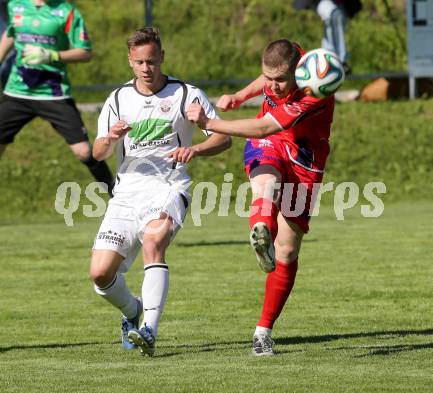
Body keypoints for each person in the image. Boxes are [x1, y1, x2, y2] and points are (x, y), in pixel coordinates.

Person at [187, 39, 335, 356]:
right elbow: (267, 85)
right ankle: (261, 229)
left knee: (288, 249)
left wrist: (210, 123)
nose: (273, 86)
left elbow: (263, 126)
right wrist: (242, 95)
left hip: (304, 163)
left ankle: (263, 332)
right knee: (265, 184)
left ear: (300, 73)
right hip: (270, 147)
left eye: (280, 80)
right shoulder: (285, 60)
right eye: (268, 78)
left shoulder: (315, 93)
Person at [90, 27, 231, 357]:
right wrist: (110, 138)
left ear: (162, 57)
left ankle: (149, 330)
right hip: (126, 195)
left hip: (168, 187)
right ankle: (133, 312)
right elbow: (97, 153)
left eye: (151, 61)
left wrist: (195, 149)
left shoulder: (185, 94)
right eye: (139, 62)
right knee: (99, 274)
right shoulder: (119, 99)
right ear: (130, 61)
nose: (146, 68)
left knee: (154, 240)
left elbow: (222, 138)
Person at [0, 0, 114, 193]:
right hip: (16, 92)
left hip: (53, 94)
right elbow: (11, 34)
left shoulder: (66, 11)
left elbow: (85, 52)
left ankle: (117, 197)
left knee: (84, 151)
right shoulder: (16, 5)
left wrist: (52, 55)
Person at [293, 0, 362, 74]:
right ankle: (337, 61)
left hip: (340, 4)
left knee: (335, 19)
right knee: (334, 14)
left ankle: (327, 59)